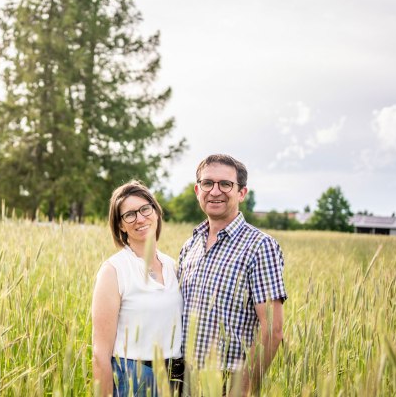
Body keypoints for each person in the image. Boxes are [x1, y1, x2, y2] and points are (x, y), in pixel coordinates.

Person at [178, 154, 287, 395]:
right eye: (208, 183)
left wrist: (241, 389)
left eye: (225, 184)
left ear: (241, 193)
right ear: (198, 190)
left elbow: (273, 331)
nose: (215, 191)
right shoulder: (190, 246)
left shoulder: (260, 246)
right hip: (184, 380)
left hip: (228, 383)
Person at [92, 180, 184, 396]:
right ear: (121, 225)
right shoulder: (114, 270)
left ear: (156, 212)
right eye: (129, 214)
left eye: (145, 209)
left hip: (176, 378)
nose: (140, 218)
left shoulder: (173, 266)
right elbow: (100, 353)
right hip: (134, 378)